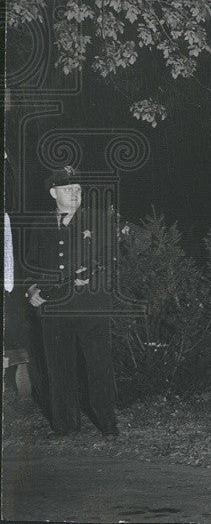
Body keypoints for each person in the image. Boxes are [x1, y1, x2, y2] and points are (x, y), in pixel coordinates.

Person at [25, 166, 119, 437]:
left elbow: (109, 258)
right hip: (55, 307)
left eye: (78, 189)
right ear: (54, 193)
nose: (75, 194)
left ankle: (107, 424)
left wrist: (91, 276)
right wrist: (32, 290)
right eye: (68, 190)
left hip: (91, 305)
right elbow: (31, 264)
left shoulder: (99, 220)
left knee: (99, 365)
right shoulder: (39, 224)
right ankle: (66, 426)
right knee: (59, 366)